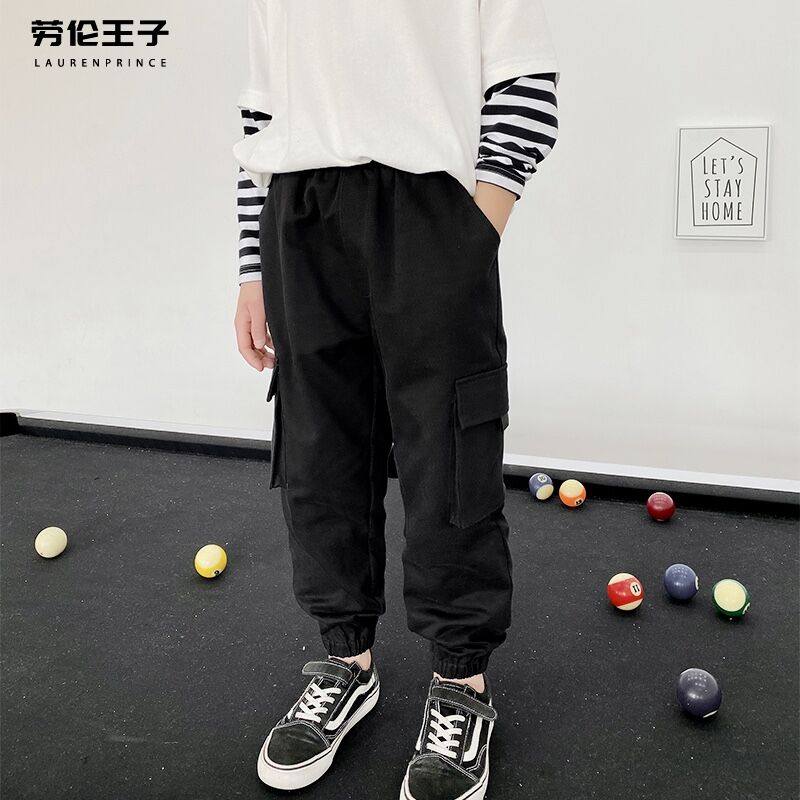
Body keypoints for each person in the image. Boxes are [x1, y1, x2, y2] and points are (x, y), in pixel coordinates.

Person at [232, 2, 558, 797]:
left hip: (429, 211)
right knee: (317, 451)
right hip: (299, 217)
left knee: (450, 452)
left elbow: (526, 86)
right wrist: (252, 267)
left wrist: (473, 233)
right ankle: (346, 661)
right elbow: (261, 116)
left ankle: (461, 682)